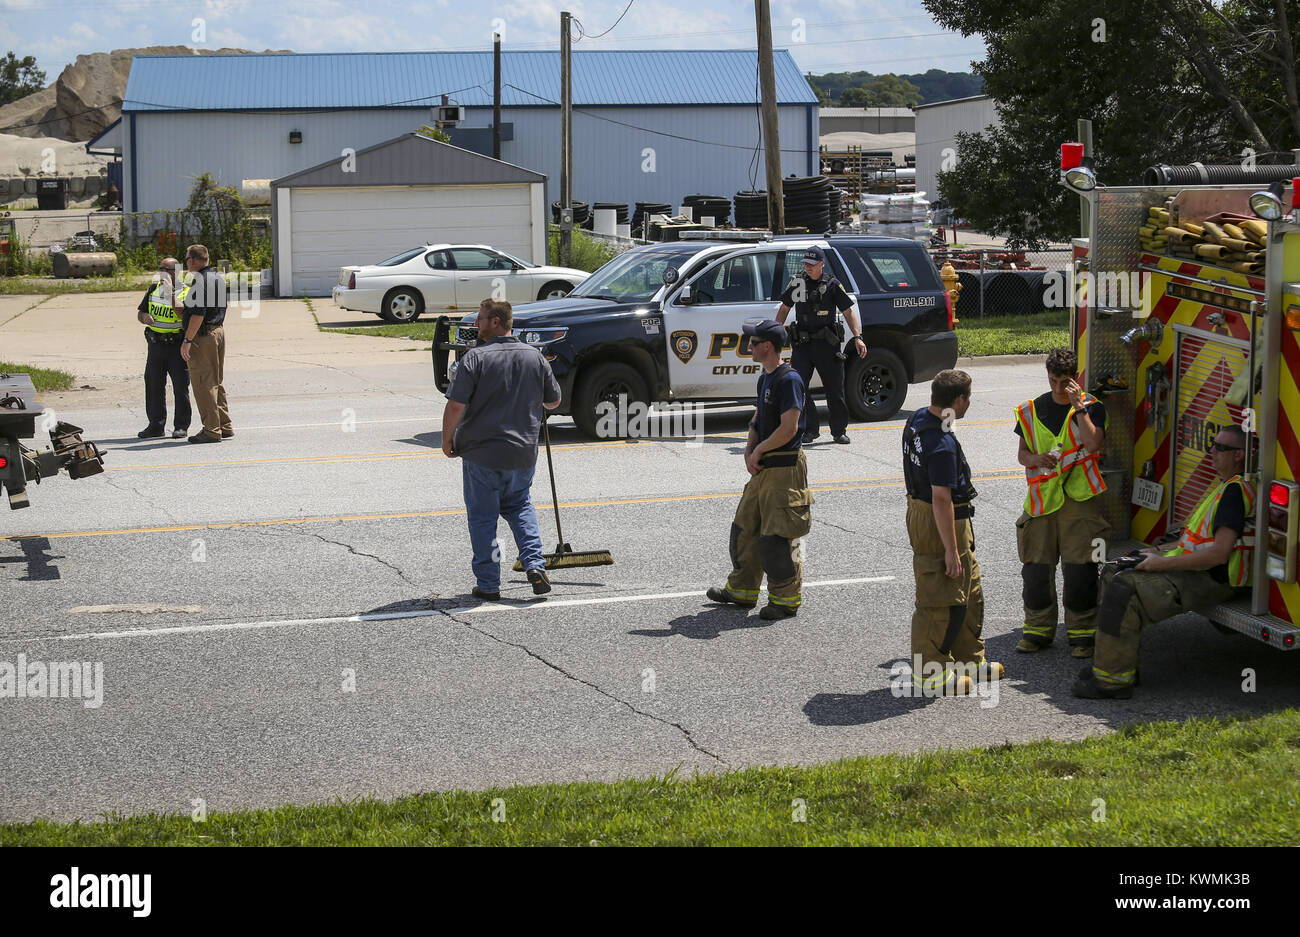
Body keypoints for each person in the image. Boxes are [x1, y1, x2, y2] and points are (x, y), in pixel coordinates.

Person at [1075, 424, 1255, 699]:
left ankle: (1113, 684)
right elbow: (1196, 541)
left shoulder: (1235, 493)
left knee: (1125, 588)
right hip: (1198, 570)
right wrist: (1157, 552)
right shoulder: (1226, 486)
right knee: (1114, 569)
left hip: (1212, 580)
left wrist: (1159, 564)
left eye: (1220, 448)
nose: (1212, 453)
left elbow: (1218, 554)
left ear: (1239, 455)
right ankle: (1113, 666)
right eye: (1212, 445)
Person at [442, 299, 561, 600]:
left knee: (483, 518)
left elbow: (456, 404)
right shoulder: (534, 357)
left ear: (496, 322)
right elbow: (554, 401)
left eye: (481, 319)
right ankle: (535, 565)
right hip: (522, 452)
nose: (477, 324)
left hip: (482, 453)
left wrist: (447, 439)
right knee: (520, 506)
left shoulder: (475, 358)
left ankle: (489, 584)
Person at [903, 369, 1002, 694]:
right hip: (940, 522)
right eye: (968, 398)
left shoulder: (918, 418)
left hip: (940, 516)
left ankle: (969, 659)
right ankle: (929, 673)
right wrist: (949, 549)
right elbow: (941, 498)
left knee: (968, 590)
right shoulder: (941, 444)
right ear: (958, 400)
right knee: (939, 595)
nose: (969, 403)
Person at [706, 319, 813, 620]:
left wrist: (761, 449)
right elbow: (759, 415)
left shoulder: (788, 379)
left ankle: (786, 600)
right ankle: (742, 590)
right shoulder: (765, 376)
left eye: (753, 343)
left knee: (778, 538)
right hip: (763, 467)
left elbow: (789, 427)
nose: (748, 346)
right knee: (744, 529)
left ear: (767, 346)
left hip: (784, 469)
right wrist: (749, 447)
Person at [1013, 348, 1109, 658]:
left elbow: (1093, 443)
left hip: (1079, 501)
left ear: (1076, 379)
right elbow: (1022, 455)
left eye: (1064, 381)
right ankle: (1038, 631)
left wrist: (1078, 405)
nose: (1058, 388)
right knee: (1036, 571)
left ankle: (1082, 635)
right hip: (1042, 503)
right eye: (1053, 381)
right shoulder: (1030, 410)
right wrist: (1036, 458)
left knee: (1080, 570)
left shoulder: (1091, 407)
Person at [774, 245, 867, 445]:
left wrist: (858, 337)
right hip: (803, 344)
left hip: (827, 344)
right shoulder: (798, 282)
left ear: (822, 264)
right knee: (798, 387)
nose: (808, 267)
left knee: (835, 389)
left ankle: (838, 430)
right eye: (806, 264)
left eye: (812, 264)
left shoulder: (832, 284)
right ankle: (810, 429)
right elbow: (784, 308)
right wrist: (776, 332)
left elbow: (848, 312)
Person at [179, 244, 232, 444]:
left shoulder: (200, 281)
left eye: (186, 259)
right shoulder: (217, 278)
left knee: (203, 383)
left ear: (192, 260)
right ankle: (224, 425)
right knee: (216, 381)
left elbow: (198, 314)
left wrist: (187, 341)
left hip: (204, 336)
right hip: (218, 331)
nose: (186, 263)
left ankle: (211, 429)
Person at [135, 256, 191, 439]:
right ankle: (155, 425)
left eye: (166, 270)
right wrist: (145, 318)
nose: (162, 273)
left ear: (177, 272)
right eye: (160, 269)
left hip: (176, 346)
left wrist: (171, 293)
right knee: (153, 386)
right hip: (156, 345)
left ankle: (181, 426)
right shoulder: (154, 289)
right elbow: (141, 312)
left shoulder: (186, 291)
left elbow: (184, 315)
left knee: (180, 387)